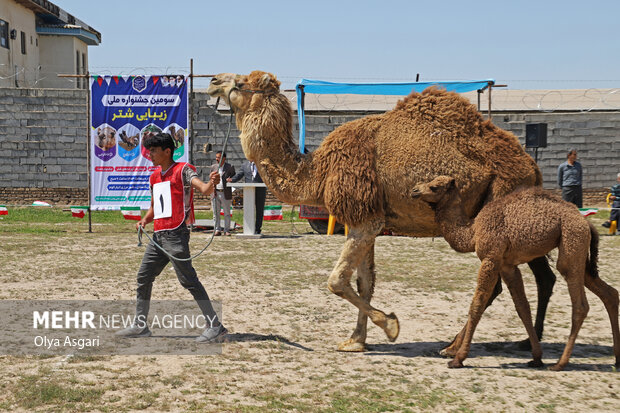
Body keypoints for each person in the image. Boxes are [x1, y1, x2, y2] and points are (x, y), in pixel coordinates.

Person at [116, 132, 227, 343]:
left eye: (154, 151)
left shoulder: (183, 170)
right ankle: (140, 326)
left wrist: (212, 182)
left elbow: (203, 189)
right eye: (149, 151)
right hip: (158, 236)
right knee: (143, 277)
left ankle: (215, 326)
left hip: (176, 235)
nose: (150, 155)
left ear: (168, 151)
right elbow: (154, 206)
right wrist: (145, 220)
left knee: (189, 281)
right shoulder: (154, 177)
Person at [228, 160, 266, 234]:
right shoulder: (245, 165)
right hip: (249, 190)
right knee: (248, 209)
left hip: (260, 190)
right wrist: (232, 180)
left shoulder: (262, 164)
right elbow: (239, 175)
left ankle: (258, 229)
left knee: (259, 209)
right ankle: (249, 228)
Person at [210, 151, 235, 236]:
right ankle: (217, 229)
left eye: (219, 157)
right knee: (215, 213)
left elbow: (234, 177)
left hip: (225, 192)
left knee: (227, 212)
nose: (217, 159)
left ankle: (227, 230)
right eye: (216, 157)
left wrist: (231, 180)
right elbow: (210, 179)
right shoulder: (213, 167)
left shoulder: (230, 167)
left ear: (224, 158)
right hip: (215, 193)